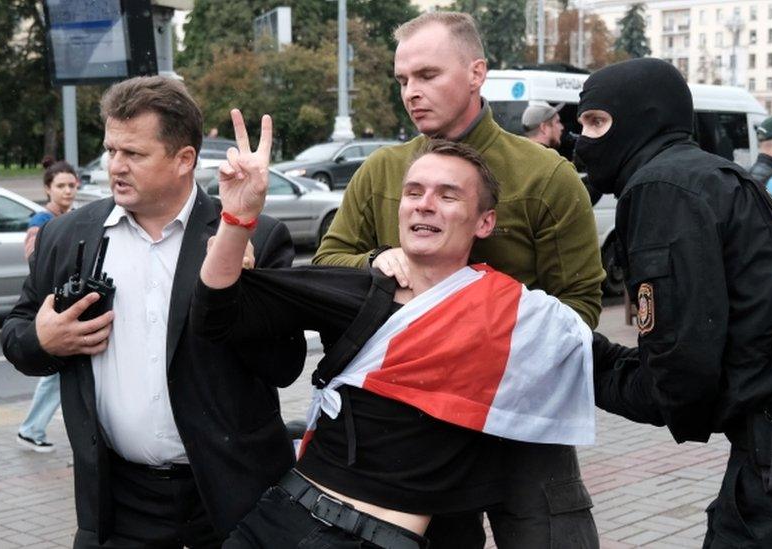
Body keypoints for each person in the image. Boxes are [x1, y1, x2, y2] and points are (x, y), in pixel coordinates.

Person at [195, 128, 595, 548]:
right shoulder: (358, 289)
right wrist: (237, 219)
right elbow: (217, 314)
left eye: (447, 195)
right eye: (413, 192)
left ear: (485, 222)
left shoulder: (518, 321)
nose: (424, 204)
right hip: (283, 520)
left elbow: (623, 375)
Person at [313, 12, 603, 547]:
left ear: (476, 73)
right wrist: (380, 260)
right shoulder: (380, 171)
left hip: (523, 415)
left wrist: (491, 331)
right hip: (411, 420)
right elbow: (328, 265)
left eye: (427, 75)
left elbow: (581, 307)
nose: (411, 92)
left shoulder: (546, 175)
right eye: (402, 80)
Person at [578, 57, 772, 547]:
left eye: (596, 122)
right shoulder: (704, 175)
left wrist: (588, 365)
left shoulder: (662, 188)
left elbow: (681, 373)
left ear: (643, 119)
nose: (583, 140)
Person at [1, 76, 306, 548]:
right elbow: (17, 336)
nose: (114, 168)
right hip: (118, 507)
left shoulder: (253, 236)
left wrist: (235, 283)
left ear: (184, 159)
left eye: (134, 155)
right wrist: (44, 340)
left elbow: (283, 366)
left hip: (231, 503)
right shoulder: (69, 236)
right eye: (110, 150)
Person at [16, 159, 80, 452]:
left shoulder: (73, 216)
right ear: (47, 189)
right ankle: (31, 429)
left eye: (71, 185)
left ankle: (33, 428)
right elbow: (33, 257)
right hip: (51, 306)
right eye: (61, 186)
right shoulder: (42, 220)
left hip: (65, 303)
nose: (67, 191)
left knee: (59, 372)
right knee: (55, 372)